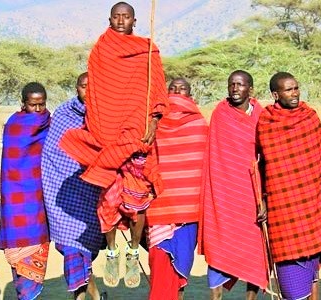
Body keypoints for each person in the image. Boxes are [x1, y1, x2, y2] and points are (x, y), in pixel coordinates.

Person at [59, 1, 169, 289]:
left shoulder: (148, 51)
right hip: (108, 133)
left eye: (126, 17)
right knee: (108, 200)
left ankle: (133, 250)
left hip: (138, 133)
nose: (121, 21)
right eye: (117, 17)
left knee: (137, 200)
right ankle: (111, 250)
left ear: (135, 20)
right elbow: (96, 92)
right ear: (110, 20)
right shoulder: (102, 49)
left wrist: (153, 122)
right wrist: (98, 125)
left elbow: (157, 90)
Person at [256, 72, 321, 300]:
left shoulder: (310, 118)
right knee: (290, 278)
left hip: (310, 205)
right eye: (289, 90)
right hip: (282, 209)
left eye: (296, 88)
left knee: (311, 271)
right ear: (275, 94)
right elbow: (262, 167)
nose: (295, 93)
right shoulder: (266, 123)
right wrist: (263, 201)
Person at [200, 70, 268, 300]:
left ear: (251, 89)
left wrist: (265, 198)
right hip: (224, 192)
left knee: (253, 250)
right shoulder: (221, 113)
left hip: (251, 193)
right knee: (219, 244)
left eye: (240, 84)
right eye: (231, 84)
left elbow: (265, 155)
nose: (235, 88)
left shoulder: (261, 115)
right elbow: (215, 155)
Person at [42, 72, 105, 300]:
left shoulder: (107, 115)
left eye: (91, 86)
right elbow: (52, 153)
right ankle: (79, 296)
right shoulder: (63, 114)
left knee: (86, 250)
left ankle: (95, 296)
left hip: (93, 193)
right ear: (76, 88)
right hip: (64, 193)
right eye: (83, 86)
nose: (87, 91)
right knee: (72, 249)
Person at [146, 78, 208, 300]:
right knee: (160, 265)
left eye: (182, 90)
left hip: (188, 210)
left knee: (181, 266)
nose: (176, 94)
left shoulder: (199, 125)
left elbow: (205, 165)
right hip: (159, 207)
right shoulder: (153, 125)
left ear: (190, 95)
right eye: (172, 90)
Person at [0, 82, 51, 299]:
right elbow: (10, 166)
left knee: (36, 256)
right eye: (33, 105)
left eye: (42, 105)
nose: (38, 110)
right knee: (20, 263)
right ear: (23, 104)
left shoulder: (50, 124)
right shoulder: (14, 125)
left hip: (38, 201)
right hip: (16, 200)